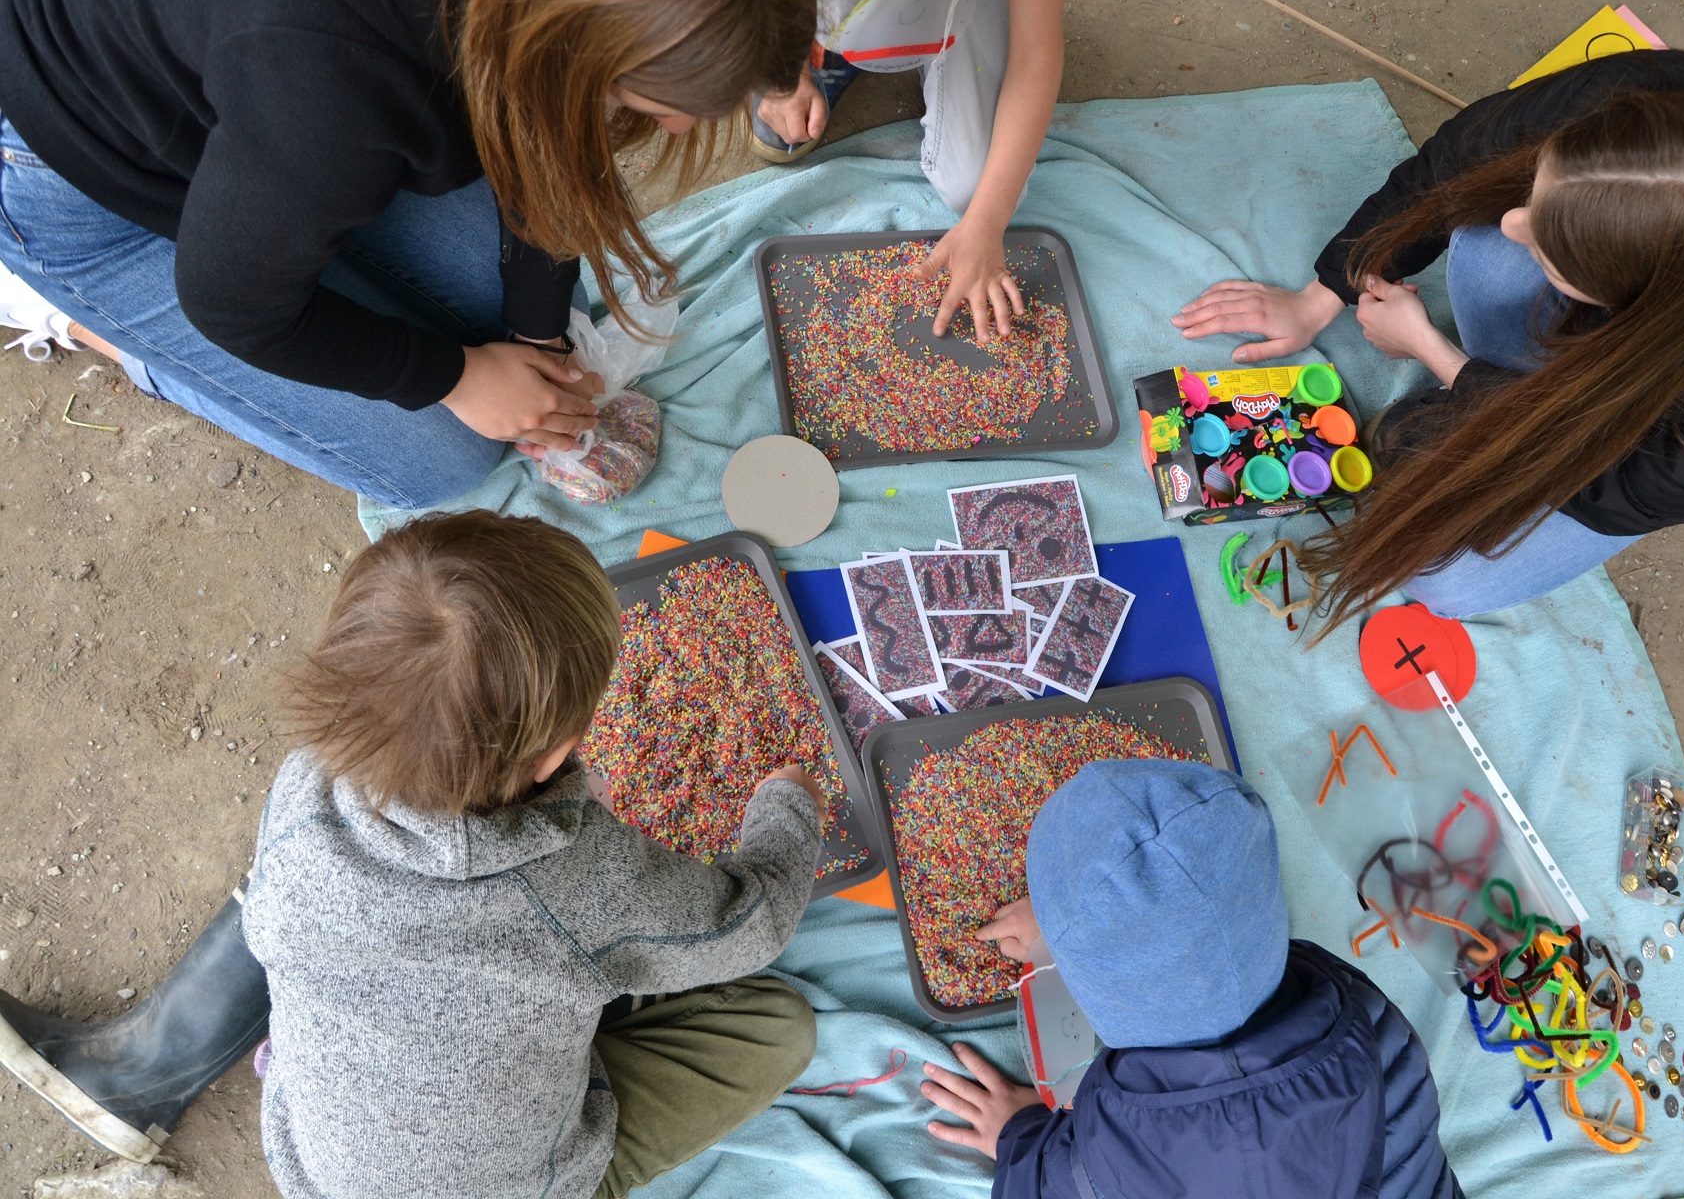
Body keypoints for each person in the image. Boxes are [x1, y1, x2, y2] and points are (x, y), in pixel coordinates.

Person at [0, 511, 828, 1198]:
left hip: (319, 1169)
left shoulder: (306, 785)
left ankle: (153, 1064)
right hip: (515, 1184)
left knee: (287, 904)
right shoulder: (581, 885)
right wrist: (787, 806)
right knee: (776, 1026)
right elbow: (749, 924)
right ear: (552, 759)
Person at [0, 0, 822, 508]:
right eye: (657, 99)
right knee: (447, 455)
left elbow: (534, 138)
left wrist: (535, 335)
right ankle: (100, 330)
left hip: (245, 107)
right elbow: (231, 302)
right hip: (73, 175)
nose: (677, 128)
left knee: (512, 314)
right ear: (560, 29)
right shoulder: (332, 85)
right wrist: (456, 377)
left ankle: (283, 220)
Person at [1171, 51, 1684, 623]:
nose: (1511, 223)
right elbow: (1459, 165)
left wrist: (1445, 360)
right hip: (1633, 313)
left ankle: (1506, 386)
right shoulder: (1666, 116)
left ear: (1640, 308)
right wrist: (1324, 291)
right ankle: (1518, 364)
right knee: (1485, 259)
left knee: (1442, 580)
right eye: (1541, 194)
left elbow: (1613, 482)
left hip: (1630, 435)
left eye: (1555, 250)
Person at [918, 759, 1463, 1199]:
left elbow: (1042, 1185)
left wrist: (1016, 1134)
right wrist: (1081, 929)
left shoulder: (1110, 1164)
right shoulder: (1368, 1021)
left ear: (1094, 1001)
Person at [750, 0, 1069, 345]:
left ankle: (908, 37)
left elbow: (1036, 56)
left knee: (976, 189)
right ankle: (834, 46)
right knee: (780, 114)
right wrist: (781, 75)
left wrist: (986, 224)